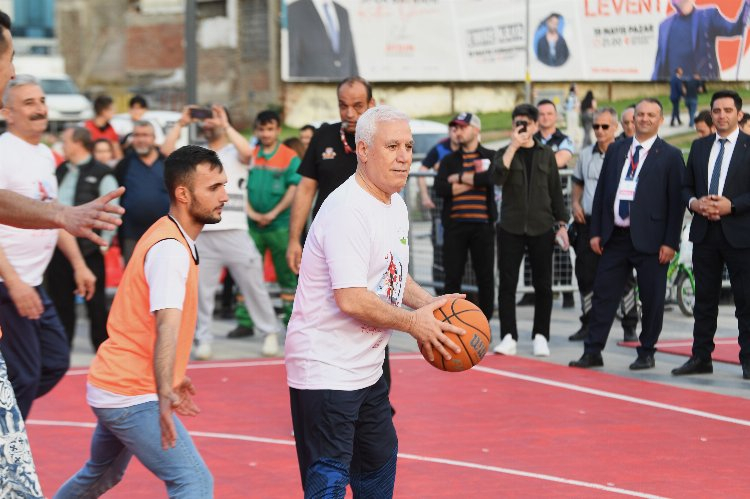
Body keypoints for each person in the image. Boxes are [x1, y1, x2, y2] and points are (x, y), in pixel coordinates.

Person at [285, 105, 464, 497]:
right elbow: (351, 298)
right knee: (328, 483)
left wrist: (430, 304)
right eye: (392, 146)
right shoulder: (348, 210)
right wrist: (415, 323)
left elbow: (392, 274)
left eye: (409, 147)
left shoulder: (394, 203)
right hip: (327, 369)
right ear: (363, 150)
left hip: (367, 370)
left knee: (379, 470)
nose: (404, 157)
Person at [55, 145, 224, 498]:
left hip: (115, 384)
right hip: (131, 392)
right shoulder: (170, 249)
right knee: (193, 481)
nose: (224, 195)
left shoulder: (169, 234)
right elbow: (166, 326)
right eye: (214, 188)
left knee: (101, 475)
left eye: (223, 185)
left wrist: (173, 377)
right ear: (183, 194)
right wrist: (164, 393)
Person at [0, 75, 97, 420]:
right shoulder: (3, 153)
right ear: (7, 112)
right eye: (29, 103)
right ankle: (10, 442)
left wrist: (79, 265)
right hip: (9, 283)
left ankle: (7, 419)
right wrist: (14, 283)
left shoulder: (45, 155)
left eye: (41, 101)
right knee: (24, 376)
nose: (40, 109)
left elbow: (54, 215)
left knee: (54, 361)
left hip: (34, 282)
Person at [569, 98, 685, 370]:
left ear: (660, 120)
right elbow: (602, 193)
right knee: (603, 295)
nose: (644, 119)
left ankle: (647, 352)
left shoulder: (670, 155)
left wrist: (671, 242)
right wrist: (596, 232)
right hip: (616, 237)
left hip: (652, 240)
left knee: (652, 300)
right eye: (640, 114)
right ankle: (593, 351)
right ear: (632, 120)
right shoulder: (617, 149)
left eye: (651, 115)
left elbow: (676, 203)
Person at [163, 105, 282, 359]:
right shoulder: (196, 155)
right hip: (203, 233)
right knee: (200, 292)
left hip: (235, 231)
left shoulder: (234, 151)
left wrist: (225, 124)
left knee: (254, 286)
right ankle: (203, 338)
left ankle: (269, 332)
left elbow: (248, 153)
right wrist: (181, 123)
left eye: (213, 118)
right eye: (205, 119)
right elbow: (167, 153)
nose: (208, 123)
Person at [673, 90, 750, 379]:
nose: (721, 115)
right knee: (704, 300)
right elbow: (685, 186)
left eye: (728, 110)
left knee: (746, 301)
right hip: (705, 233)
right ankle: (701, 357)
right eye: (717, 110)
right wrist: (694, 203)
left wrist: (733, 205)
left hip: (741, 234)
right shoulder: (700, 146)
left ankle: (748, 360)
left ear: (739, 114)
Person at [492, 104, 569, 358]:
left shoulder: (546, 154)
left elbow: (555, 191)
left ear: (536, 126)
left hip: (541, 226)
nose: (522, 128)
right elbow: (497, 177)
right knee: (507, 283)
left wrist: (562, 223)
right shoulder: (505, 152)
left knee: (543, 285)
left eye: (526, 123)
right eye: (518, 123)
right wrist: (513, 146)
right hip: (510, 226)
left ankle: (540, 336)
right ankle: (508, 336)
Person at [568, 108, 639, 343]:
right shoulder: (585, 154)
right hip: (588, 223)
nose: (599, 130)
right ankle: (588, 323)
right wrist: (575, 203)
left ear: (615, 127)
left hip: (617, 224)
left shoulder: (626, 153)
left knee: (625, 277)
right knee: (585, 275)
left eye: (605, 126)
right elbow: (577, 182)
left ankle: (630, 324)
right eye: (596, 126)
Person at [45, 126, 119, 351]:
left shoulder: (102, 172)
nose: (63, 146)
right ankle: (61, 349)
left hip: (89, 249)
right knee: (60, 303)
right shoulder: (61, 170)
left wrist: (103, 245)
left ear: (78, 143)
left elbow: (113, 209)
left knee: (95, 305)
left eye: (66, 141)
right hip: (58, 248)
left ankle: (102, 349)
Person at [434, 112, 496, 320]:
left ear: (476, 130)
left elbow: (491, 178)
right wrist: (474, 181)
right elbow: (441, 188)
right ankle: (450, 320)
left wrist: (459, 178)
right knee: (452, 277)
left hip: (483, 225)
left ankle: (484, 323)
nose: (458, 131)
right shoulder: (449, 160)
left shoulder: (490, 155)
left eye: (463, 127)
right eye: (456, 127)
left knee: (485, 277)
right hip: (455, 225)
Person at [244, 110, 301, 326]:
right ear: (256, 131)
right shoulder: (249, 155)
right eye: (262, 129)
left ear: (278, 130)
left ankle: (290, 320)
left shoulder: (289, 157)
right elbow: (240, 185)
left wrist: (273, 213)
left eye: (270, 129)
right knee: (247, 272)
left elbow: (294, 189)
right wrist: (251, 212)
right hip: (252, 224)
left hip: (279, 225)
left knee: (286, 274)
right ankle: (245, 321)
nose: (266, 134)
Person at [531, 99, 575, 309]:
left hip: (559, 199)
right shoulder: (531, 138)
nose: (545, 117)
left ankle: (567, 293)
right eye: (541, 114)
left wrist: (535, 164)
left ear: (556, 116)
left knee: (561, 245)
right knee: (531, 246)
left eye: (549, 113)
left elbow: (560, 160)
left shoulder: (564, 139)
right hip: (534, 201)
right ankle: (529, 292)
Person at [114, 120, 170, 264]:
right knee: (133, 275)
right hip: (131, 235)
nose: (141, 140)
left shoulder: (168, 164)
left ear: (154, 138)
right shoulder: (124, 165)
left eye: (145, 135)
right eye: (137, 135)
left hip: (165, 234)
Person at [652, 0, 750, 81]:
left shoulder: (708, 16)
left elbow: (736, 29)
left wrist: (746, 6)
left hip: (702, 87)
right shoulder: (664, 26)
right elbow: (659, 65)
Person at [287, 0, 358, 79]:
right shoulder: (295, 10)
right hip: (312, 84)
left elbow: (351, 58)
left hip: (343, 83)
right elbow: (292, 60)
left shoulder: (343, 12)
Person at [84, 94, 123, 160]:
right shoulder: (87, 128)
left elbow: (118, 153)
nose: (114, 112)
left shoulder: (110, 128)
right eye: (112, 109)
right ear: (103, 111)